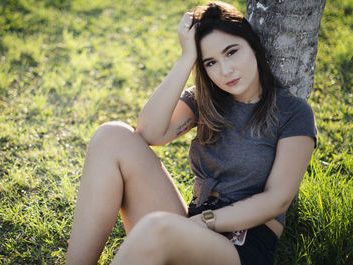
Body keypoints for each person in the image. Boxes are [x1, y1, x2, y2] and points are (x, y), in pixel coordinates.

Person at [66, 1, 317, 265]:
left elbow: (277, 200)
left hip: (242, 246)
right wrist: (186, 58)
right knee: (112, 136)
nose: (226, 70)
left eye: (231, 52)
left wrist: (206, 222)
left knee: (157, 228)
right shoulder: (207, 99)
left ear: (253, 45)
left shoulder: (293, 112)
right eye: (211, 62)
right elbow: (150, 133)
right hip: (193, 225)